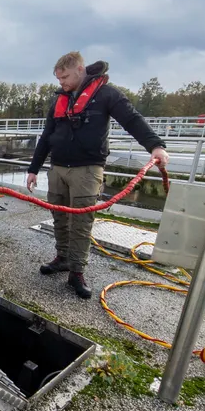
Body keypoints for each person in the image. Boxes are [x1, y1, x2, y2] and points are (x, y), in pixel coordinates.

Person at [25, 52, 170, 299]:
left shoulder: (106, 94)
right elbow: (47, 135)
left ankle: (77, 272)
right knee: (59, 216)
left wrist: (155, 145)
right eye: (59, 78)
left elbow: (132, 119)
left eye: (66, 77)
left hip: (87, 169)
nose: (62, 83)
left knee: (82, 223)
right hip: (58, 167)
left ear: (80, 70)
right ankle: (62, 258)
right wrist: (33, 168)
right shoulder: (59, 99)